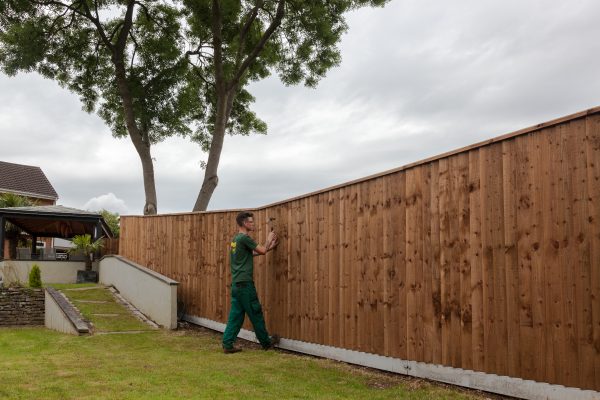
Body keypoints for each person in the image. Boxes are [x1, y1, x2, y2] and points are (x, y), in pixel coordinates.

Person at [222, 211, 280, 354]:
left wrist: (269, 247)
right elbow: (261, 250)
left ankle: (228, 344)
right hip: (245, 285)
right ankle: (267, 343)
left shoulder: (235, 240)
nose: (253, 224)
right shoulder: (245, 238)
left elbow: (249, 255)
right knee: (256, 313)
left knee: (236, 316)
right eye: (251, 222)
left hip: (236, 285)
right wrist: (268, 239)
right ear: (244, 223)